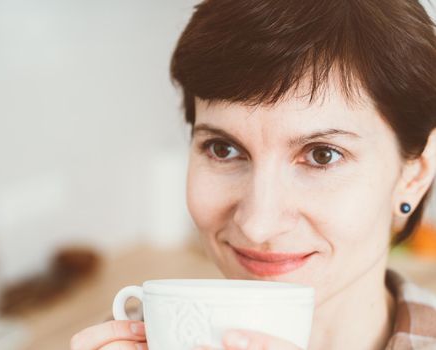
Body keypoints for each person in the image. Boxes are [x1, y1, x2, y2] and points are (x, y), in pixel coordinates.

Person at [70, 0, 436, 349]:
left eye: (322, 155)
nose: (257, 225)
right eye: (222, 149)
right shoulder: (140, 332)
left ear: (414, 176)